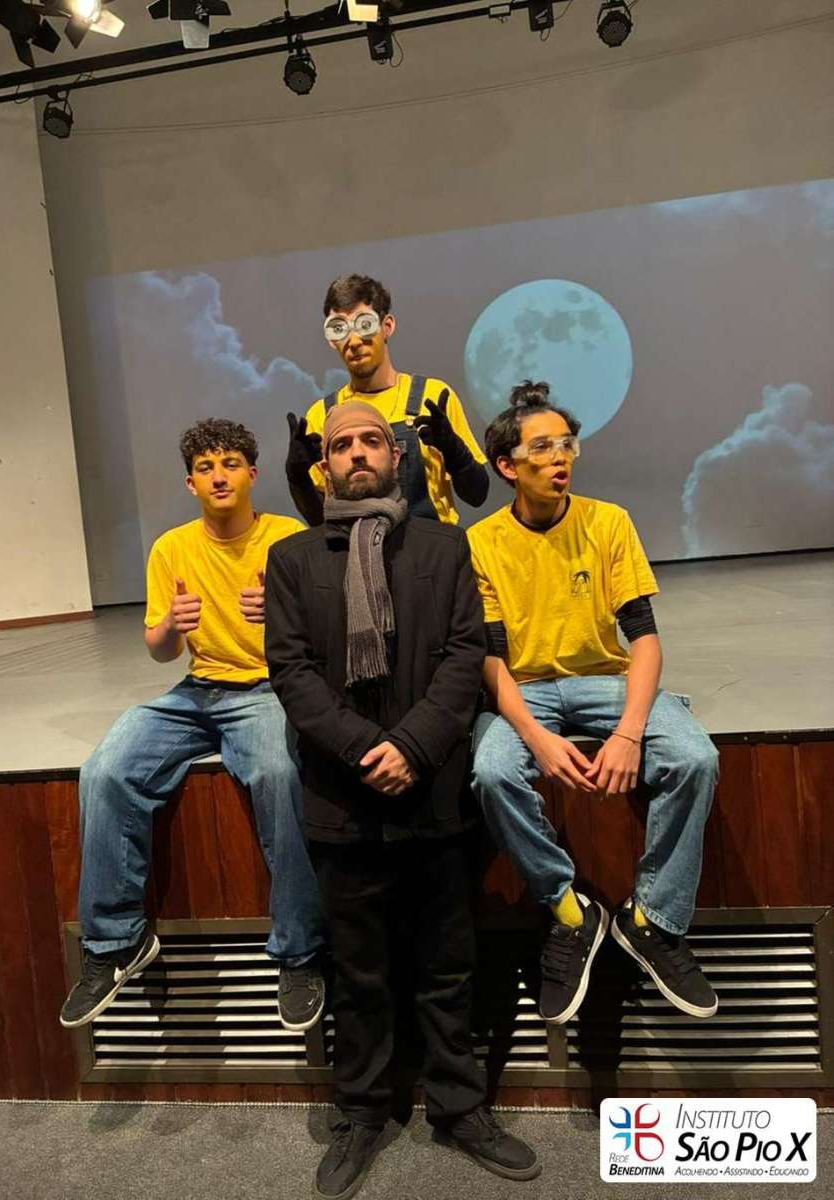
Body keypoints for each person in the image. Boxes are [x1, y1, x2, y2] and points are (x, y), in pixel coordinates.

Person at [265, 400, 540, 1200]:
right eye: (341, 445)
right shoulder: (292, 559)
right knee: (358, 976)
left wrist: (413, 747)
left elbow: (465, 656)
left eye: (370, 441)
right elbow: (291, 672)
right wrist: (362, 749)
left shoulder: (444, 546)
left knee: (447, 968)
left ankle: (460, 1109)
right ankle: (362, 1113)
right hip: (342, 798)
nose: (356, 453)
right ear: (323, 466)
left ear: (396, 456)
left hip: (432, 795)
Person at [60, 418, 327, 1034]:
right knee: (104, 770)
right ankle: (115, 942)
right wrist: (170, 627)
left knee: (279, 775)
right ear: (190, 483)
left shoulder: (288, 538)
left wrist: (283, 615)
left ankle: (301, 952)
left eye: (230, 464)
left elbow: (324, 635)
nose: (218, 476)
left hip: (269, 689)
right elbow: (160, 651)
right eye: (205, 468)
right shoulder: (171, 548)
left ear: (252, 474)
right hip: (198, 690)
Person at [468, 382, 719, 1026]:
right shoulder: (482, 541)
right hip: (523, 688)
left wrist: (629, 732)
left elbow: (644, 639)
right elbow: (490, 659)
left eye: (566, 444)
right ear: (507, 466)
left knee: (694, 757)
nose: (561, 458)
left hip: (605, 680)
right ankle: (568, 909)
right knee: (492, 771)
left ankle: (653, 920)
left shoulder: (607, 522)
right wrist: (537, 738)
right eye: (542, 447)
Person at [284, 273, 489, 527]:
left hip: (431, 547)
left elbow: (477, 494)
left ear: (387, 326)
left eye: (364, 324)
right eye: (340, 329)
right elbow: (319, 520)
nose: (354, 341)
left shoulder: (432, 397)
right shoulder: (323, 415)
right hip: (355, 548)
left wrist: (455, 453)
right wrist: (298, 478)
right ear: (331, 339)